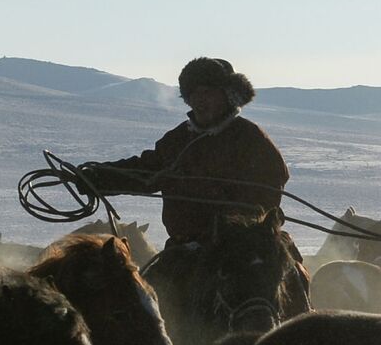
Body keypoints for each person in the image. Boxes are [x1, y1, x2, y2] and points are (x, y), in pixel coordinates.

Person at [78, 57, 290, 254]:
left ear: (228, 96)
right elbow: (145, 171)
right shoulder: (178, 140)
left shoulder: (250, 139)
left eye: (207, 93)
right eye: (194, 94)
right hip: (184, 248)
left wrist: (230, 224)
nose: (200, 100)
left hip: (241, 250)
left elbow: (268, 191)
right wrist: (98, 178)